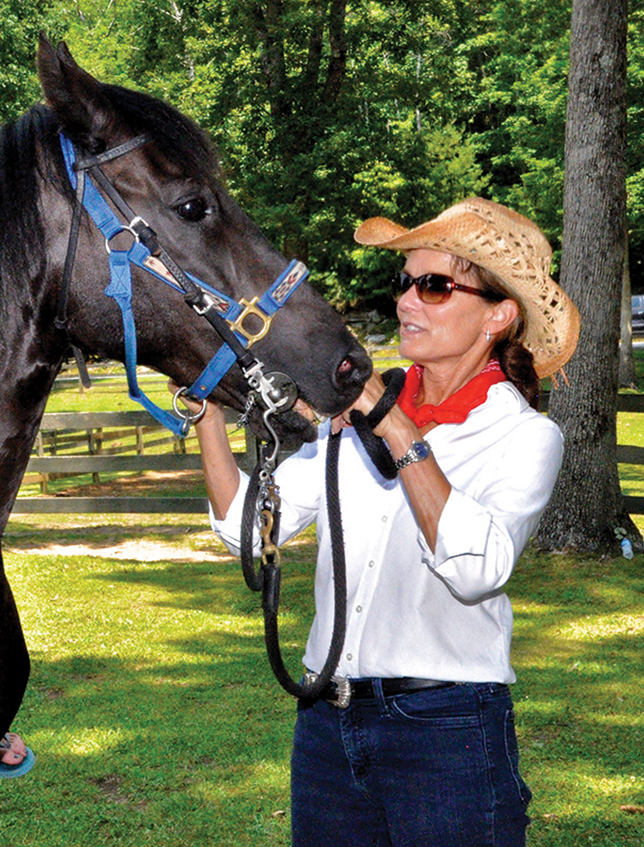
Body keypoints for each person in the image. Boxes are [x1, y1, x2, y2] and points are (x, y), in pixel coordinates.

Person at [190, 197, 579, 847]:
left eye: (434, 286)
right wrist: (205, 413)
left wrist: (393, 425)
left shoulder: (525, 437)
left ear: (499, 314)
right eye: (405, 282)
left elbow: (476, 570)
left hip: (446, 731)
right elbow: (246, 526)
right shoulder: (357, 414)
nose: (407, 301)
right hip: (326, 726)